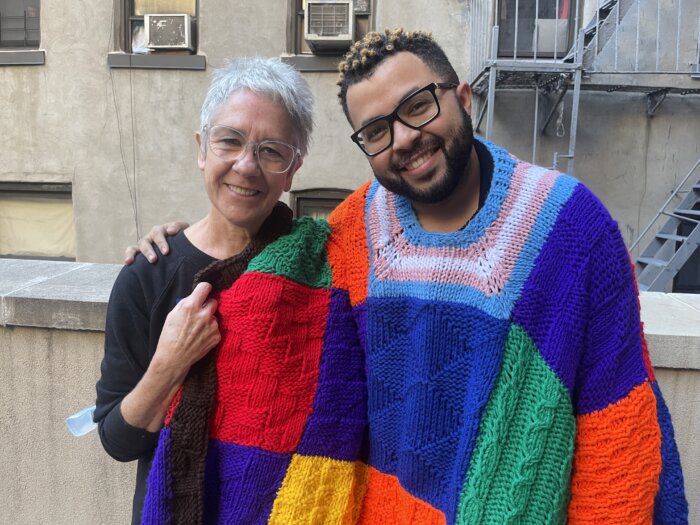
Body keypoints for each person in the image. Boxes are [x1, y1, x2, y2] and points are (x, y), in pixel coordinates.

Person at [128, 30, 688, 524]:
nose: (402, 139)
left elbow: (616, 419)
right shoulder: (357, 230)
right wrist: (192, 245)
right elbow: (277, 295)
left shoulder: (567, 225)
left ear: (463, 97)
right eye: (375, 130)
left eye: (417, 107)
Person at [96, 57, 367, 525]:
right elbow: (117, 440)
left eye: (271, 151)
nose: (246, 165)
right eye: (230, 141)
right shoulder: (148, 276)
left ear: (293, 167)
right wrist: (171, 361)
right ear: (203, 148)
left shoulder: (325, 270)